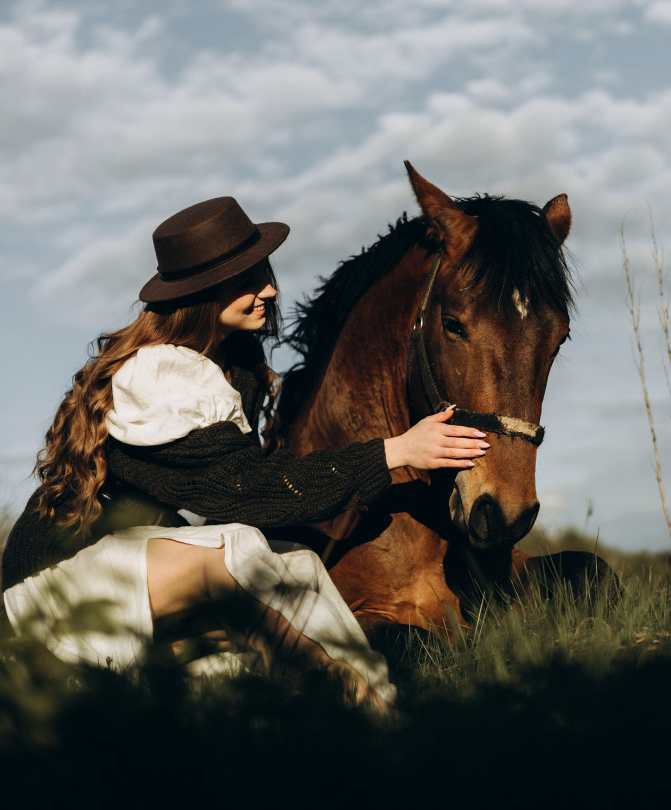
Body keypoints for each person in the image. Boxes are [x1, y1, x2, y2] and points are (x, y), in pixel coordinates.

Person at [2, 196, 488, 702]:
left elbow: (261, 480)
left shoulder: (232, 370)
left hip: (137, 572)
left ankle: (374, 704)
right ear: (202, 297)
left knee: (296, 566)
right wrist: (393, 453)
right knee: (223, 560)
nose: (269, 290)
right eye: (246, 282)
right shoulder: (156, 376)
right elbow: (243, 493)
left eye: (264, 273)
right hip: (53, 587)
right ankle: (340, 691)